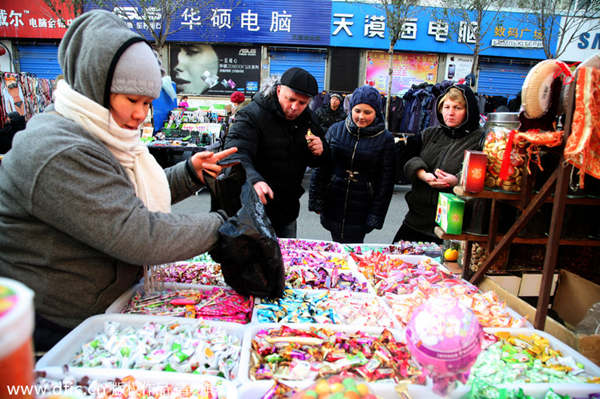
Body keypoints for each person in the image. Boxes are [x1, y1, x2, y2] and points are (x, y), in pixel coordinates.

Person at [0, 10, 237, 351]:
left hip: (98, 309)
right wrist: (222, 226)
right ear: (97, 86)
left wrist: (187, 174)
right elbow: (136, 232)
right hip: (55, 326)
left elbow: (116, 196)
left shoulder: (99, 131)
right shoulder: (57, 149)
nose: (141, 114)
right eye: (132, 100)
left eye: (148, 103)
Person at [224, 67, 327, 238]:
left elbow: (319, 161)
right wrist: (253, 180)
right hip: (249, 208)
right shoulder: (252, 114)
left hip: (287, 210)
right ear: (278, 90)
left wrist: (320, 150)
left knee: (284, 260)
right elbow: (235, 152)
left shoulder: (309, 119)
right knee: (250, 261)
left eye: (302, 103)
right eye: (291, 99)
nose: (295, 107)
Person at [393, 84, 484, 244]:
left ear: (468, 111)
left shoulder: (479, 139)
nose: (450, 112)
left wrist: (457, 181)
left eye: (457, 107)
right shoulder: (429, 133)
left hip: (452, 226)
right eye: (446, 107)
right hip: (416, 219)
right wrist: (422, 173)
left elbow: (482, 172)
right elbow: (407, 156)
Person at [309, 85, 395, 243]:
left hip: (363, 204)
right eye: (357, 111)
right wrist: (317, 199)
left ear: (377, 113)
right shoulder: (335, 130)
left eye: (367, 112)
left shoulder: (385, 139)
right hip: (334, 199)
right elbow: (322, 167)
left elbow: (386, 182)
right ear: (351, 110)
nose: (361, 117)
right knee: (335, 247)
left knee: (353, 248)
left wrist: (376, 214)